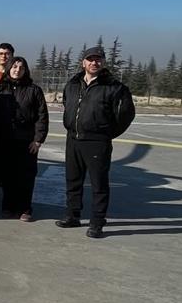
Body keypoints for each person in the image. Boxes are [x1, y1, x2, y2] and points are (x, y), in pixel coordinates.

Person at [57, 45, 136, 238]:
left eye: (98, 59)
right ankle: (73, 215)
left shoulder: (114, 87)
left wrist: (106, 133)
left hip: (97, 142)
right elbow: (67, 104)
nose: (94, 62)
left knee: (98, 184)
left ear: (103, 62)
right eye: (91, 59)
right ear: (83, 62)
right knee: (73, 180)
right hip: (73, 139)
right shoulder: (73, 84)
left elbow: (126, 114)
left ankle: (97, 222)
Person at [0, 56, 49, 222]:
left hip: (26, 141)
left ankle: (25, 208)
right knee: (7, 176)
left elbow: (42, 116)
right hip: (4, 140)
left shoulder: (34, 90)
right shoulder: (0, 89)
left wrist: (38, 139)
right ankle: (8, 206)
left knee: (26, 176)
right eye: (14, 67)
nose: (17, 70)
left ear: (25, 70)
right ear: (9, 69)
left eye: (21, 67)